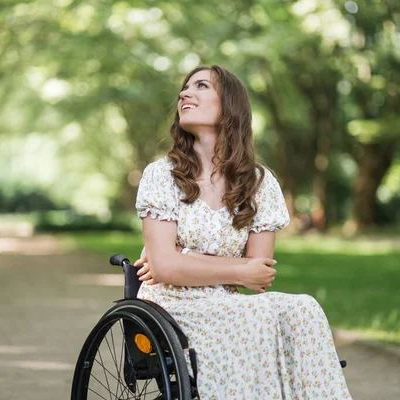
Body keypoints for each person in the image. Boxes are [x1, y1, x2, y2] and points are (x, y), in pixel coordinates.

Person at [133, 65, 352, 399]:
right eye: (185, 88)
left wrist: (187, 258)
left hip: (226, 304)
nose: (184, 94)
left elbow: (259, 274)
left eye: (201, 86)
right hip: (171, 306)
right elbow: (165, 269)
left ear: (229, 106)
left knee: (303, 309)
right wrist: (228, 268)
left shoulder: (260, 185)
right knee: (255, 319)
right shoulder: (161, 176)